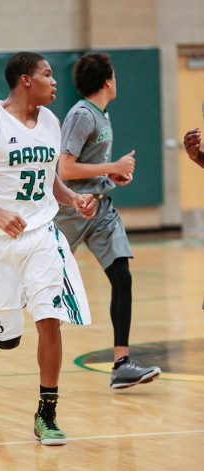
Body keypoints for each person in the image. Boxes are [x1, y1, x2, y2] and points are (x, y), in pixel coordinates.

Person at [0, 52, 97, 445]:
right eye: (48, 75)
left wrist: (74, 199)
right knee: (8, 338)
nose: (55, 81)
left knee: (50, 316)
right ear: (25, 80)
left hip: (42, 235)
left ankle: (46, 414)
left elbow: (49, 182)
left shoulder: (51, 122)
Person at [55, 52, 161, 389]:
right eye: (114, 74)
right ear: (107, 80)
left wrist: (112, 178)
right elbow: (65, 169)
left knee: (123, 278)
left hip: (99, 210)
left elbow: (91, 167)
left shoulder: (102, 114)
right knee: (33, 278)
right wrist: (111, 167)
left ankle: (121, 364)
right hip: (70, 210)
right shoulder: (81, 115)